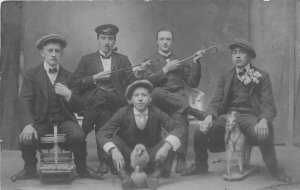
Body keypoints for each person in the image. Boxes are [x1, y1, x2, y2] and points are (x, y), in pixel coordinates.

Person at [182, 38, 292, 183]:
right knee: (200, 130)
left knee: (264, 132)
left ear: (250, 56)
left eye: (242, 52)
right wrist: (208, 117)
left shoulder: (262, 76)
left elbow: (268, 105)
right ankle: (201, 166)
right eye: (234, 53)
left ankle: (275, 170)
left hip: (250, 117)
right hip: (228, 116)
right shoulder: (226, 76)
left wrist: (264, 120)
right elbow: (216, 100)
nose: (238, 56)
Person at [11, 34, 103, 181]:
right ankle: (29, 169)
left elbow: (80, 106)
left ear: (61, 54)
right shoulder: (32, 75)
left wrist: (68, 95)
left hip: (64, 120)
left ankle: (82, 168)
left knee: (78, 135)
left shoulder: (69, 76)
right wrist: (28, 124)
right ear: (42, 52)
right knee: (26, 136)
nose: (54, 54)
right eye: (50, 50)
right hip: (41, 121)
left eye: (57, 51)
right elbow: (24, 102)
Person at [135, 28, 205, 173]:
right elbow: (146, 82)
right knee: (156, 92)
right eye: (162, 39)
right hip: (158, 101)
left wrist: (195, 62)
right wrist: (165, 69)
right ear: (157, 41)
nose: (165, 42)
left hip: (177, 99)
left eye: (168, 39)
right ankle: (191, 110)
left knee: (179, 117)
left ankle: (181, 157)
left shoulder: (180, 61)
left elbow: (192, 83)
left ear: (172, 41)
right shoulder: (149, 61)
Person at [69, 24, 136, 175]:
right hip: (95, 103)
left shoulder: (123, 59)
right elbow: (74, 83)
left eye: (110, 39)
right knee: (104, 114)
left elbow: (131, 83)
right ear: (98, 39)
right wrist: (94, 78)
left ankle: (83, 131)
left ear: (114, 40)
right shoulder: (87, 60)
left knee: (102, 97)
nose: (106, 42)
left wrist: (138, 73)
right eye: (103, 38)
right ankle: (104, 161)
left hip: (117, 101)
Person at [97, 80, 184, 190]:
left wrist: (166, 146)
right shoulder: (122, 112)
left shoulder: (156, 112)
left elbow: (178, 127)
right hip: (128, 157)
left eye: (144, 95)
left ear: (150, 98)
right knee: (112, 139)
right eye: (136, 95)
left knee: (172, 140)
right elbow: (102, 133)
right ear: (130, 99)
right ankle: (124, 176)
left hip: (151, 156)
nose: (140, 99)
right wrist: (113, 150)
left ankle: (155, 175)